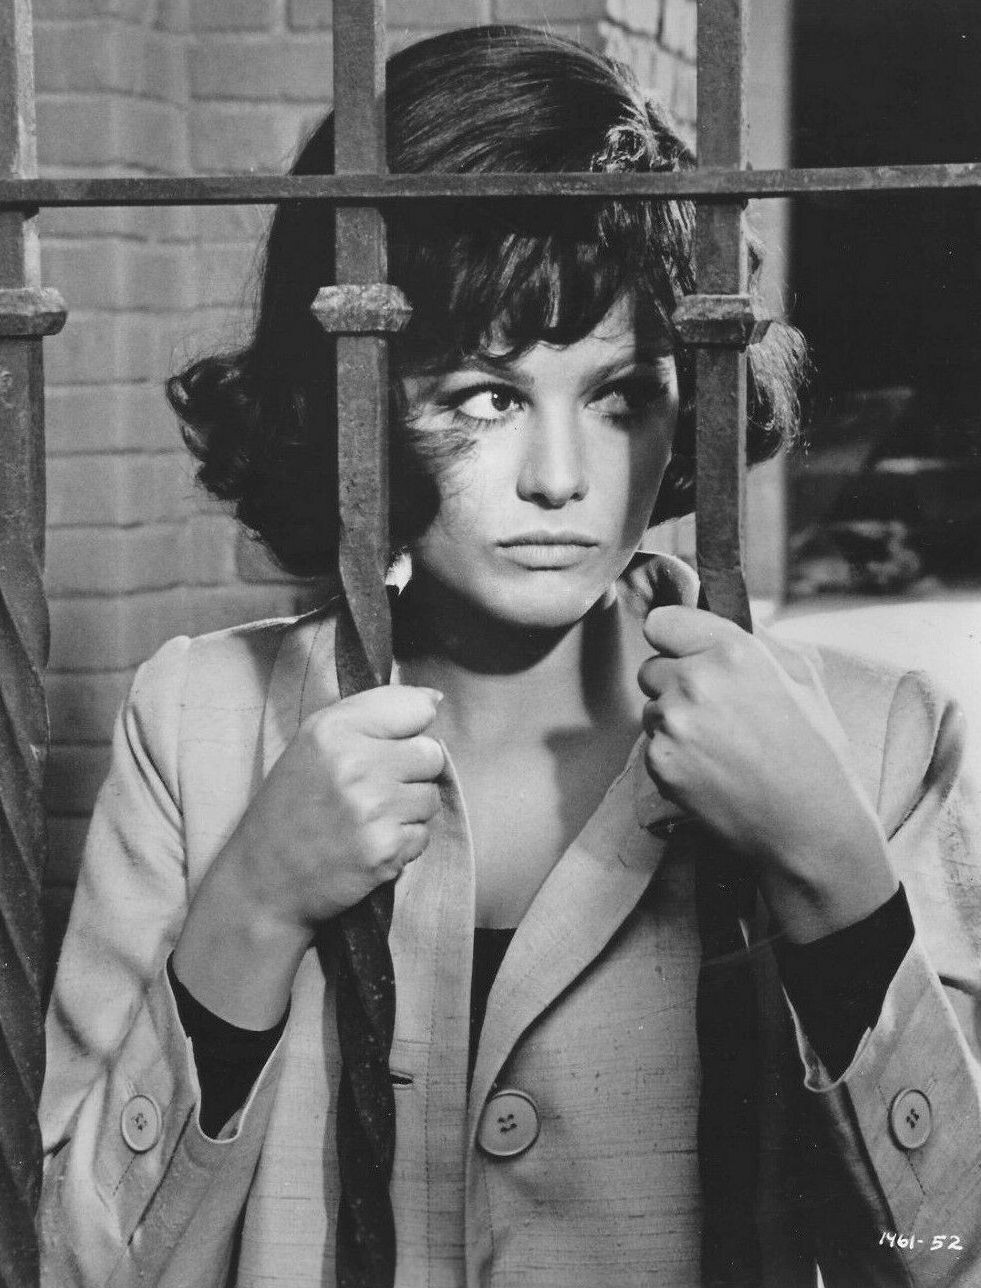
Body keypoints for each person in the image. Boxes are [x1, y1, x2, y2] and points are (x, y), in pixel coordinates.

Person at [37, 24, 981, 1288]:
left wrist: (832, 877)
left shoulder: (880, 742)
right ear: (360, 396)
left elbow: (950, 1253)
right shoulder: (198, 725)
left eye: (620, 395)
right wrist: (249, 909)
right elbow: (69, 1266)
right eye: (486, 394)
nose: (559, 478)